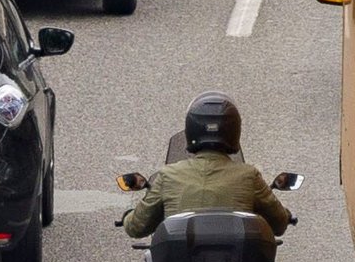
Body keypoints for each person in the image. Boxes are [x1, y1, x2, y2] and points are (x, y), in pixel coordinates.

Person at [122, 95, 292, 244]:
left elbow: (137, 227)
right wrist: (285, 214)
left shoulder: (169, 175)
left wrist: (128, 218)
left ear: (191, 131)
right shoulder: (249, 175)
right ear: (234, 131)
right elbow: (279, 224)